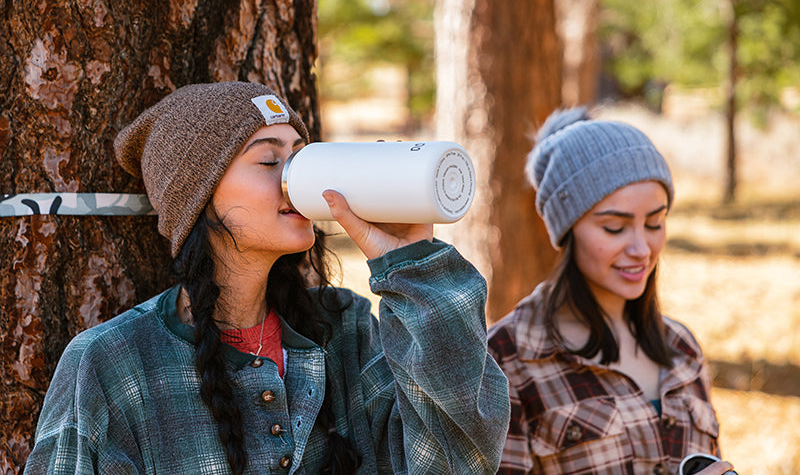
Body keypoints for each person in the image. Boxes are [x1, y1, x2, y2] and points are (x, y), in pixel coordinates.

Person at [24, 81, 510, 475]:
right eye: (268, 160)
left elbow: (462, 459)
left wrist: (413, 263)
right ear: (200, 196)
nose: (292, 180)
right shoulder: (112, 364)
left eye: (299, 158)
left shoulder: (346, 330)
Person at [488, 108, 736, 475]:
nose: (641, 248)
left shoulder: (682, 349)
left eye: (655, 222)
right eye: (614, 228)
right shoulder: (508, 359)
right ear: (567, 229)